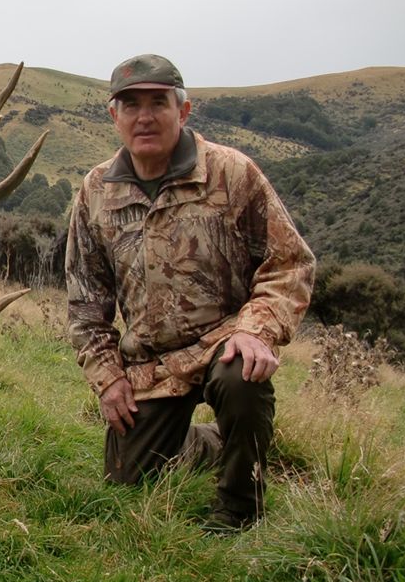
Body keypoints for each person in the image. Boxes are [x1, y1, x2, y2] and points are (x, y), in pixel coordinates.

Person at [65, 54, 316, 532]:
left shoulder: (232, 173)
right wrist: (109, 378)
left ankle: (238, 511)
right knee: (128, 482)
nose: (144, 116)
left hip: (226, 341)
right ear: (114, 115)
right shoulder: (95, 191)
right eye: (131, 105)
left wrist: (256, 330)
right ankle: (211, 443)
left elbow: (290, 263)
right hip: (153, 365)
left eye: (158, 103)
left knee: (241, 378)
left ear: (182, 111)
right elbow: (85, 301)